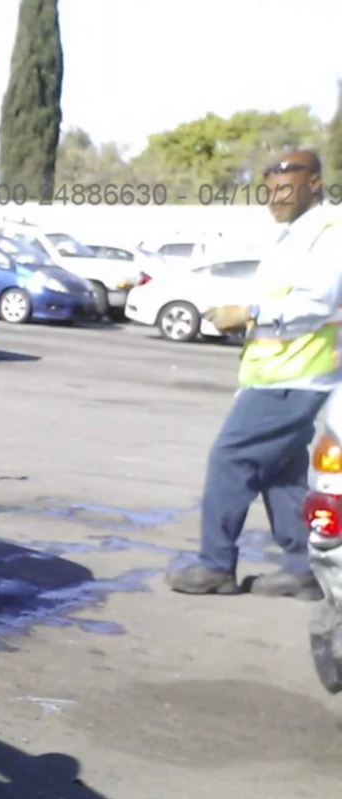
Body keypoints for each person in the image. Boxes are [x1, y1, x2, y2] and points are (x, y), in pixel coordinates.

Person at [171, 149, 342, 596]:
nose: (275, 199)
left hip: (296, 375)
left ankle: (214, 567)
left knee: (231, 459)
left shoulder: (329, 232)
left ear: (316, 183)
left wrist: (247, 312)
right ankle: (303, 570)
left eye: (286, 188)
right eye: (269, 190)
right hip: (281, 372)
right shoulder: (294, 235)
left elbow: (315, 304)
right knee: (281, 472)